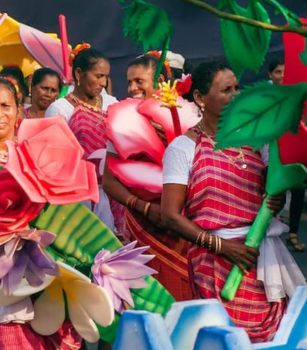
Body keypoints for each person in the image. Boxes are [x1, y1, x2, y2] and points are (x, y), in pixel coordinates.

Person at [161, 61, 305, 342]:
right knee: (225, 339)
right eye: (227, 90)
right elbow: (170, 215)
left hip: (260, 257)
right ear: (201, 98)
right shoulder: (183, 148)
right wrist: (222, 246)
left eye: (238, 88)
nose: (237, 95)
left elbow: (272, 185)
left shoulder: (259, 140)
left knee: (271, 339)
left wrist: (272, 198)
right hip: (213, 262)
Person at [0, 76, 81, 349]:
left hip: (44, 263)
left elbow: (64, 209)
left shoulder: (36, 152)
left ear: (19, 110)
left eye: (5, 106)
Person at [102, 53, 193, 301]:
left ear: (161, 80)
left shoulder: (189, 116)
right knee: (149, 300)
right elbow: (108, 181)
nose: (132, 88)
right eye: (129, 82)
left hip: (187, 227)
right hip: (143, 224)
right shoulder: (121, 122)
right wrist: (142, 207)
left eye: (139, 81)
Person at [46, 47, 118, 234]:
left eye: (106, 77)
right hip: (77, 197)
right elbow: (53, 162)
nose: (103, 83)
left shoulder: (112, 105)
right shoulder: (59, 110)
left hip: (114, 193)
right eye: (98, 76)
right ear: (79, 73)